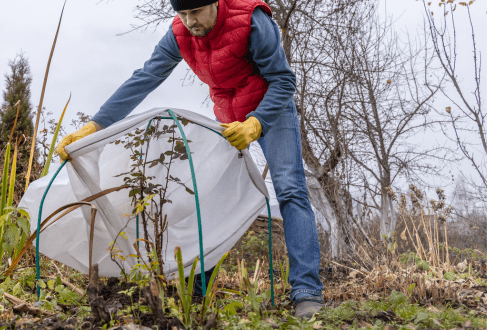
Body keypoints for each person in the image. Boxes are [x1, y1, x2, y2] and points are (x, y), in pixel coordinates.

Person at [55, 0, 324, 318]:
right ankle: (197, 290)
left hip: (271, 110)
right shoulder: (180, 32)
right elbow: (145, 77)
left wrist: (256, 123)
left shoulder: (252, 21)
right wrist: (96, 125)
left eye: (195, 12)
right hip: (228, 115)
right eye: (181, 14)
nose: (189, 21)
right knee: (214, 198)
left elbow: (283, 80)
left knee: (291, 190)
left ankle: (306, 292)